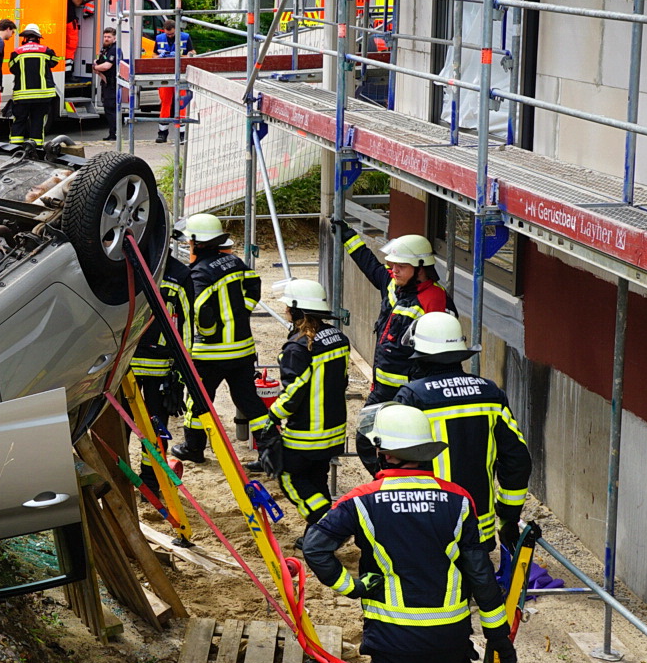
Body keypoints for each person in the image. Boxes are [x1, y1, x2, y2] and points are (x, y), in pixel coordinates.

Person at [303, 404, 517, 663]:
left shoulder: (360, 502)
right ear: (426, 451)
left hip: (393, 643)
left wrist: (354, 587)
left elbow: (314, 548)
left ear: (381, 451)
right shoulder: (459, 500)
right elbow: (480, 573)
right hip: (449, 641)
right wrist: (498, 635)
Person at [393, 310, 532, 663]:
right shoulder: (489, 394)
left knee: (427, 625)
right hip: (478, 530)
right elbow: (517, 459)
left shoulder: (412, 396)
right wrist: (508, 513)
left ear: (422, 354)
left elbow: (391, 456)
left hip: (427, 531)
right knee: (459, 620)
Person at [336, 222, 453, 472]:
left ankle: (401, 484)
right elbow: (370, 265)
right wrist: (348, 236)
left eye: (401, 265)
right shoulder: (394, 285)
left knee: (403, 445)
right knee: (368, 438)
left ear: (421, 267)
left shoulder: (434, 299)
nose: (393, 270)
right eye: (392, 264)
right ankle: (387, 482)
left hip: (410, 392)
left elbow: (441, 352)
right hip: (383, 388)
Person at [169, 212, 279, 467]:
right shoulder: (233, 262)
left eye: (189, 241)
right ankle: (270, 453)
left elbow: (202, 310)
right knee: (248, 401)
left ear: (197, 242)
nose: (187, 245)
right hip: (241, 350)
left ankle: (193, 448)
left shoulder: (198, 274)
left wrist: (206, 333)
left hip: (212, 355)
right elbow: (254, 283)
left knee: (197, 400)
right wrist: (243, 311)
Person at [266, 279, 350, 539]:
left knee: (289, 478)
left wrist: (272, 416)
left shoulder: (298, 347)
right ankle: (317, 534)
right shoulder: (339, 338)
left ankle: (327, 522)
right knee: (317, 480)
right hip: (334, 430)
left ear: (296, 311)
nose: (285, 312)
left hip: (306, 434)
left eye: (287, 308)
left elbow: (293, 393)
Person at [130, 243, 193, 483]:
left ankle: (124, 478)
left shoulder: (127, 267)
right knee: (156, 427)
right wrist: (180, 371)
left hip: (127, 368)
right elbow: (186, 327)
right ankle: (151, 479)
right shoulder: (179, 275)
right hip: (160, 367)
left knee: (123, 424)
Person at [7, 23, 59, 146]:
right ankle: (36, 147)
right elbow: (54, 62)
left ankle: (15, 145)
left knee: (19, 120)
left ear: (25, 38)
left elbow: (12, 69)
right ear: (38, 38)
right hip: (42, 95)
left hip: (22, 96)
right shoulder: (46, 50)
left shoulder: (16, 52)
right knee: (38, 120)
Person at [153, 18, 194, 144]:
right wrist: (160, 57)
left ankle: (182, 135)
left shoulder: (185, 37)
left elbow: (192, 52)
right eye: (167, 33)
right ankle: (162, 133)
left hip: (181, 75)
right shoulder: (159, 38)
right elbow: (154, 54)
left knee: (181, 104)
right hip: (165, 75)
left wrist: (182, 57)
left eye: (171, 33)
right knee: (165, 103)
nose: (169, 35)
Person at [93, 27, 121, 142]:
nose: (106, 39)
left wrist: (95, 67)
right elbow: (99, 62)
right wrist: (97, 66)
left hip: (112, 84)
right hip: (107, 83)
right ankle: (112, 133)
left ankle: (114, 134)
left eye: (109, 37)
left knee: (111, 110)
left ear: (114, 38)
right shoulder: (105, 49)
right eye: (105, 37)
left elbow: (107, 66)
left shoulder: (115, 49)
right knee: (108, 110)